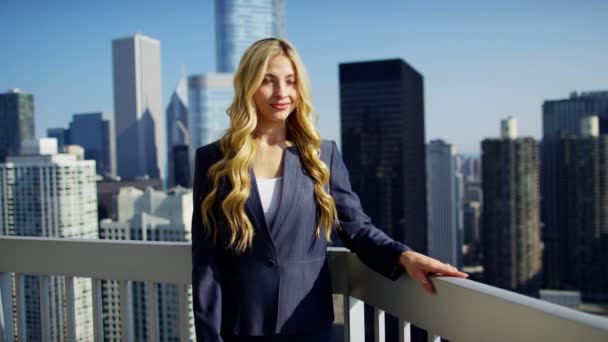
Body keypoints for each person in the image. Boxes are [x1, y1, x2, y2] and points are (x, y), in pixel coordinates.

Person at [191, 37, 468, 342]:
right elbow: (207, 263)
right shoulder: (213, 160)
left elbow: (358, 230)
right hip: (240, 328)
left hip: (307, 325)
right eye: (268, 81)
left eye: (291, 81)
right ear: (248, 85)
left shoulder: (321, 155)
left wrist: (404, 257)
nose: (282, 92)